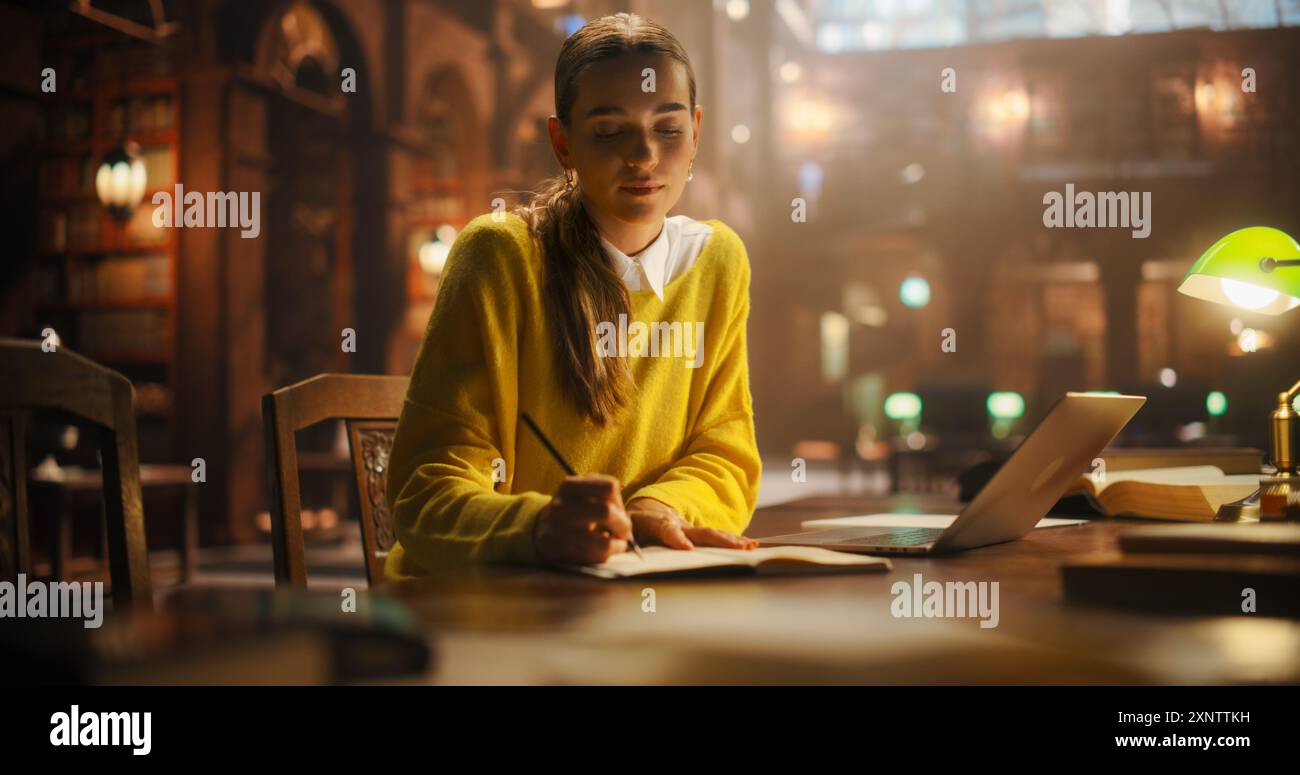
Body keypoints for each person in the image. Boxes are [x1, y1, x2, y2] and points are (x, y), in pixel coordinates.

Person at [384, 12, 761, 577]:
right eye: (610, 131)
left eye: (668, 128)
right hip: (486, 604)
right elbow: (425, 492)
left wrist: (657, 508)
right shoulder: (499, 257)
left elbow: (724, 450)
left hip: (634, 593)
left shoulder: (718, 261)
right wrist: (537, 527)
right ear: (562, 142)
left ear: (697, 131)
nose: (644, 157)